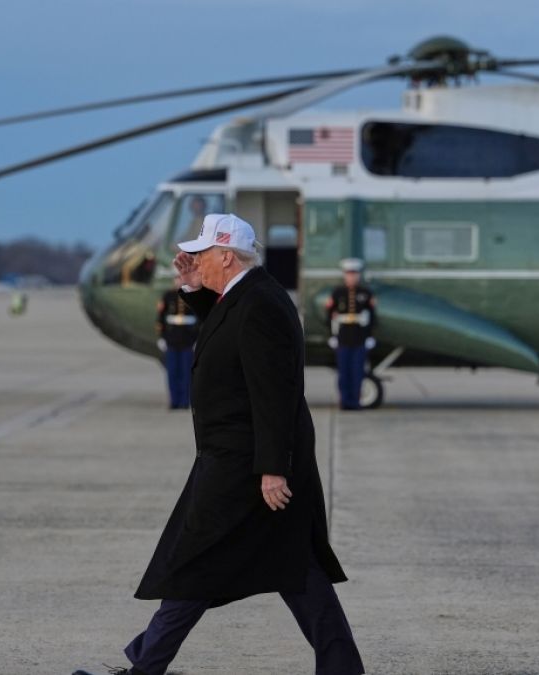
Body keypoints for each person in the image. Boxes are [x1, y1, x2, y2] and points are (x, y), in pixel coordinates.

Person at [74, 214, 363, 675]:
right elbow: (229, 329)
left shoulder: (261, 304)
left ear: (226, 256)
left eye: (202, 254)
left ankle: (145, 668)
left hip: (243, 465)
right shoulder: (248, 295)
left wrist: (273, 468)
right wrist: (193, 288)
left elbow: (274, 393)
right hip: (242, 459)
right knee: (295, 569)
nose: (194, 260)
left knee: (194, 563)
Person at [326, 258, 376, 410]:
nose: (352, 277)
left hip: (359, 338)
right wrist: (332, 335)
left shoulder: (365, 293)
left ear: (358, 275)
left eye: (354, 274)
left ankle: (355, 402)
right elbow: (329, 314)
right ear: (345, 275)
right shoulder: (338, 293)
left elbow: (372, 316)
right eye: (349, 274)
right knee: (344, 373)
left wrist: (369, 336)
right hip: (343, 338)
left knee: (357, 372)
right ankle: (345, 401)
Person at [155, 287, 198, 409]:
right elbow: (161, 317)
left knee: (186, 373)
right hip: (171, 341)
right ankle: (174, 401)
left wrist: (197, 338)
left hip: (187, 341)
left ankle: (184, 401)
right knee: (172, 373)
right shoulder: (168, 296)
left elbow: (198, 319)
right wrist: (162, 337)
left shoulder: (193, 295)